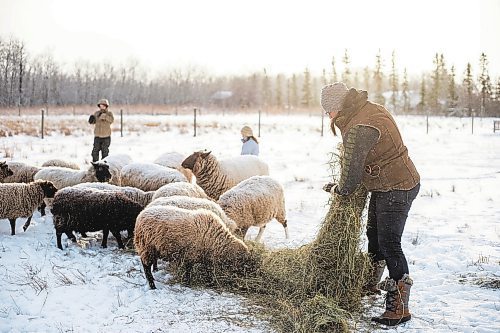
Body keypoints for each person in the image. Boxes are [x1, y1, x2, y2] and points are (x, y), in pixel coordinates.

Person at [320, 82, 420, 326]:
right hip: (386, 182)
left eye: (327, 111)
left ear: (336, 107)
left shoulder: (359, 126)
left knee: (389, 243)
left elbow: (350, 180)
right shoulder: (367, 109)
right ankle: (370, 284)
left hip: (397, 186)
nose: (328, 116)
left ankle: (399, 309)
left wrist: (337, 188)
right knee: (374, 235)